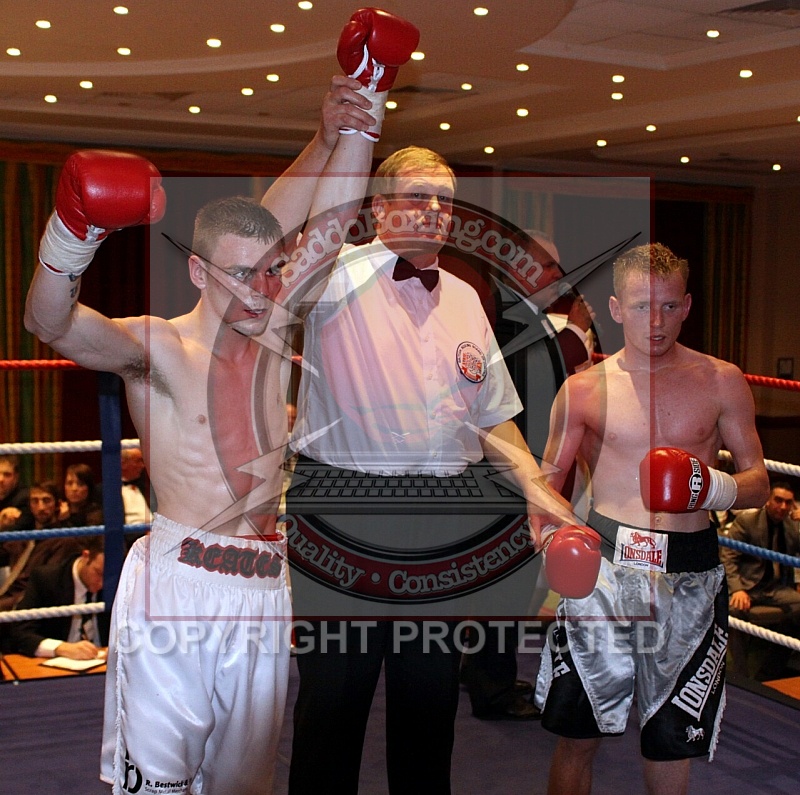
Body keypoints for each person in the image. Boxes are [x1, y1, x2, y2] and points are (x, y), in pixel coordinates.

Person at [24, 48, 384, 794]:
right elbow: (48, 323)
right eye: (241, 273)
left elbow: (328, 222)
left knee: (243, 785)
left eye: (271, 271)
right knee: (158, 785)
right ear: (197, 271)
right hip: (178, 587)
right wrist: (71, 235)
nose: (260, 289)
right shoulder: (157, 347)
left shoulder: (275, 330)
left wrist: (355, 120)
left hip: (261, 588)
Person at [286, 144, 588, 792]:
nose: (434, 211)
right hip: (343, 508)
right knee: (332, 704)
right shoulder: (333, 276)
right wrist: (345, 135)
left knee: (429, 705)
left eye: (445, 201)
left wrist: (539, 492)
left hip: (441, 515)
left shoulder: (465, 298)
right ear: (379, 209)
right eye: (418, 196)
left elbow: (493, 416)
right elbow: (296, 253)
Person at [534, 242, 769, 795]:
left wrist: (708, 486)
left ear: (686, 306)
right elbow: (546, 483)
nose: (656, 322)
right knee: (578, 735)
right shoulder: (583, 389)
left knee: (670, 742)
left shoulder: (721, 380)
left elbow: (759, 482)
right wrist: (548, 540)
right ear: (616, 309)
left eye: (667, 306)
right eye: (642, 307)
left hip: (691, 572)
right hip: (605, 571)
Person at [721, 480, 800, 678]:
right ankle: (740, 675)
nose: (783, 506)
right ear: (768, 500)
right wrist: (737, 589)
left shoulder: (792, 526)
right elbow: (728, 557)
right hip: (748, 587)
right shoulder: (748, 521)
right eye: (778, 500)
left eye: (788, 502)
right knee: (734, 611)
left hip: (776, 588)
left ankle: (769, 672)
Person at [7, 535, 108, 659]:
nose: (102, 583)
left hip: (104, 663)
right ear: (85, 556)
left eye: (109, 576)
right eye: (98, 573)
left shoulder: (119, 584)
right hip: (54, 664)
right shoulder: (47, 579)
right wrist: (59, 648)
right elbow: (20, 633)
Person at [61, 462, 103, 527]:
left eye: (80, 484)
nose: (74, 489)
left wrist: (65, 520)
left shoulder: (95, 513)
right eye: (69, 483)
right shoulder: (58, 509)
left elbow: (87, 534)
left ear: (89, 488)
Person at [0, 454, 30, 531]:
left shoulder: (25, 498)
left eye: (7, 475)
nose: (1, 479)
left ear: (16, 477)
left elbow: (20, 529)